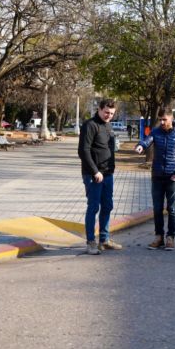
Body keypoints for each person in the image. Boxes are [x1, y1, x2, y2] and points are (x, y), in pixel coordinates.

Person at [135, 107, 175, 251]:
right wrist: (140, 145)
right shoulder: (156, 132)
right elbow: (147, 140)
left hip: (172, 177)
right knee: (157, 208)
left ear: (171, 118)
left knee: (171, 208)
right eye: (160, 120)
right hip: (157, 176)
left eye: (165, 119)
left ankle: (170, 237)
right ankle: (159, 237)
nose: (162, 122)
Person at [78, 98, 123, 255]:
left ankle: (104, 240)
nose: (108, 116)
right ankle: (91, 242)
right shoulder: (90, 125)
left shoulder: (108, 125)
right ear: (99, 109)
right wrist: (95, 171)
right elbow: (83, 151)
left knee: (108, 206)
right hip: (94, 175)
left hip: (108, 174)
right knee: (93, 207)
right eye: (106, 112)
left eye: (111, 113)